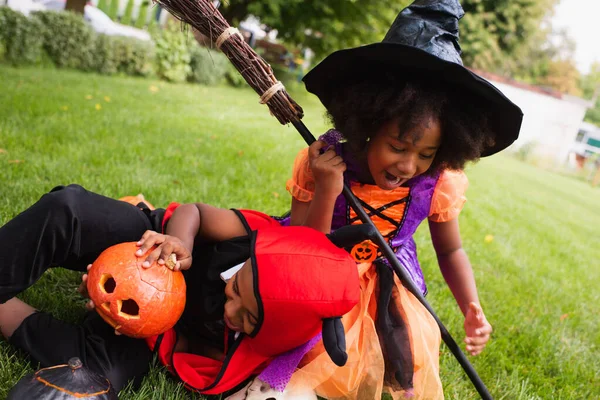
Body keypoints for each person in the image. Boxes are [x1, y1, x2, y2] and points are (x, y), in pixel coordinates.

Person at [233, 0, 523, 399]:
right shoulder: (324, 161)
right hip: (317, 267)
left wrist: (471, 305)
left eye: (426, 154)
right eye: (398, 147)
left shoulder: (438, 182)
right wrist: (327, 188)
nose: (409, 165)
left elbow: (451, 249)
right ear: (367, 124)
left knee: (401, 354)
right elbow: (300, 249)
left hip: (391, 278)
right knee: (303, 340)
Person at [0, 184, 361, 396]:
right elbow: (195, 212)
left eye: (248, 318)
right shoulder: (254, 237)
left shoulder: (253, 354)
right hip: (147, 241)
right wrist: (179, 240)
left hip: (151, 327)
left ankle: (6, 311)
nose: (229, 309)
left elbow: (185, 351)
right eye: (234, 288)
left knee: (105, 374)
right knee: (69, 210)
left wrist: (129, 311)